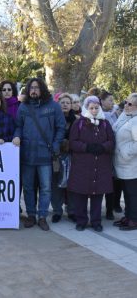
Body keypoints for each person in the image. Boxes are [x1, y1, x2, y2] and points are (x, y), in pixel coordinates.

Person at [13, 77, 66, 231]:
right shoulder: (23, 107)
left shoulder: (53, 106)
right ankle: (31, 215)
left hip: (46, 155)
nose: (34, 90)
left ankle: (42, 216)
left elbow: (61, 127)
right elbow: (18, 126)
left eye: (36, 88)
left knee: (46, 188)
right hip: (27, 155)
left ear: (42, 89)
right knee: (28, 188)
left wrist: (55, 145)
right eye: (31, 88)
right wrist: (17, 136)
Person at [68, 96, 115, 232]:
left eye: (96, 108)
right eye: (91, 108)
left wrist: (103, 147)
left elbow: (112, 141)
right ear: (86, 108)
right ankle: (81, 220)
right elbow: (73, 142)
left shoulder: (105, 123)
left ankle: (96, 221)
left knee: (97, 195)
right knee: (80, 195)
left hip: (100, 166)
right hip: (82, 166)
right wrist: (86, 147)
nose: (94, 110)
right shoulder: (79, 123)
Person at [51, 93, 77, 223]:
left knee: (71, 184)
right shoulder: (53, 119)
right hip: (56, 156)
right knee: (56, 184)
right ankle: (57, 211)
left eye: (68, 102)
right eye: (63, 102)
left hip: (72, 156)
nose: (65, 105)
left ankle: (72, 210)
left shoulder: (77, 120)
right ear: (58, 104)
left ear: (72, 105)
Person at [113, 93, 137, 230]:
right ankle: (128, 216)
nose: (126, 106)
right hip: (121, 164)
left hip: (131, 165)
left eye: (130, 104)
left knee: (132, 193)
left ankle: (134, 219)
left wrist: (125, 152)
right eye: (125, 102)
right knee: (127, 193)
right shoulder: (125, 115)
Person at [99, 90, 122, 218]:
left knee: (115, 181)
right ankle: (107, 209)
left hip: (115, 153)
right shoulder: (101, 115)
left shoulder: (115, 114)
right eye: (110, 100)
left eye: (113, 101)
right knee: (106, 182)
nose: (113, 103)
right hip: (105, 154)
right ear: (102, 101)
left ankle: (113, 206)